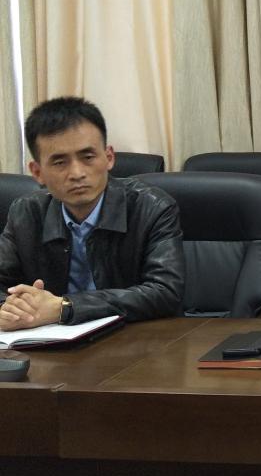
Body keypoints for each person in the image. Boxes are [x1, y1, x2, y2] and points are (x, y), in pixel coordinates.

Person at [0, 97, 185, 330]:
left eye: (87, 157)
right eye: (60, 162)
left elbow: (166, 292)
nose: (77, 173)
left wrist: (65, 307)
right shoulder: (26, 213)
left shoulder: (152, 207)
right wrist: (11, 308)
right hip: (52, 343)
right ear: (37, 172)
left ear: (109, 157)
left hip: (138, 340)